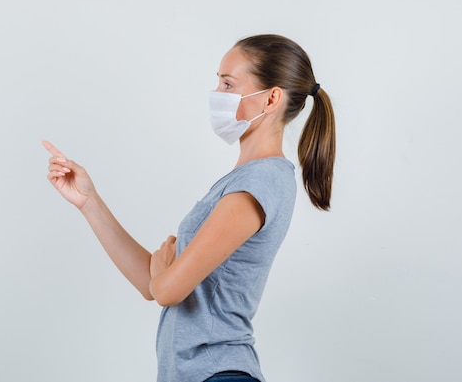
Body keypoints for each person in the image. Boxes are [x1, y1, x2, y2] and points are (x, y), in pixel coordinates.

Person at [43, 34, 335, 382]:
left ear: (271, 98)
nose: (217, 94)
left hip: (219, 373)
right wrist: (89, 202)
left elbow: (166, 290)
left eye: (228, 83)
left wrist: (162, 276)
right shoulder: (245, 179)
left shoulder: (259, 183)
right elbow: (151, 281)